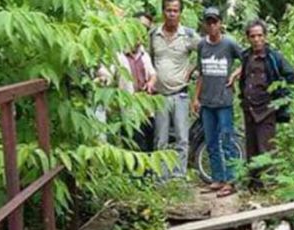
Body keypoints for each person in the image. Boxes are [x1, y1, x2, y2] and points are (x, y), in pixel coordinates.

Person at [191, 7, 242, 197]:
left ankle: (231, 180)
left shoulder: (229, 44)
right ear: (204, 24)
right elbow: (201, 73)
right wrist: (195, 98)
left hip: (224, 102)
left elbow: (248, 59)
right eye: (208, 22)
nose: (212, 26)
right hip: (207, 102)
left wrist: (235, 74)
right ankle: (217, 179)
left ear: (220, 23)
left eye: (215, 22)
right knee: (211, 142)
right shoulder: (202, 46)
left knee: (227, 141)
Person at [149, 0, 200, 179]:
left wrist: (192, 70)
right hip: (159, 96)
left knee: (182, 138)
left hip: (180, 94)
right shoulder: (153, 34)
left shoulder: (188, 35)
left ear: (180, 13)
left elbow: (205, 51)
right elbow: (148, 59)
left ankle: (178, 175)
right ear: (163, 12)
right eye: (168, 10)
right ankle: (161, 176)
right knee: (160, 139)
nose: (172, 14)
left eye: (175, 11)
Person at [239, 19, 294, 166]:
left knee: (267, 150)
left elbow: (293, 77)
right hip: (249, 110)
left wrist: (282, 99)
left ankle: (270, 186)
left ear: (265, 36)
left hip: (267, 111)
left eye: (259, 35)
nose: (256, 39)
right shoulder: (246, 56)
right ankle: (254, 185)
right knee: (251, 151)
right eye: (253, 36)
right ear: (248, 38)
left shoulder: (274, 57)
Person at [96, 12, 157, 151]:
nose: (141, 32)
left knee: (149, 146)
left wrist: (151, 82)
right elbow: (107, 75)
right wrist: (100, 75)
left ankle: (147, 172)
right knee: (134, 147)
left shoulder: (144, 54)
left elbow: (153, 74)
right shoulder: (118, 54)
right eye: (139, 27)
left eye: (145, 29)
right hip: (129, 111)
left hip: (147, 110)